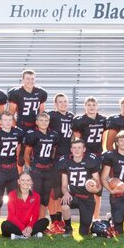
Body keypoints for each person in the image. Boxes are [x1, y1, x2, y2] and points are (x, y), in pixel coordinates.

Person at [0, 111, 25, 234]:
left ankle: (13, 222)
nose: (8, 122)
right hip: (0, 169)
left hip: (12, 169)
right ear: (0, 121)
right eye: (5, 120)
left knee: (14, 198)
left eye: (10, 120)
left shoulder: (17, 132)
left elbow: (18, 152)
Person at [71, 96, 107, 220]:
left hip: (98, 156)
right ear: (85, 107)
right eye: (89, 105)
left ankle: (96, 217)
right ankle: (86, 217)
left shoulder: (103, 120)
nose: (91, 107)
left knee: (98, 188)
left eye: (93, 105)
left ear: (97, 106)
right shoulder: (80, 120)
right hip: (85, 157)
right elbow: (77, 140)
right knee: (85, 186)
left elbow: (105, 137)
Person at [59, 139, 103, 236]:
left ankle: (88, 226)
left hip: (87, 198)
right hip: (74, 196)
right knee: (64, 204)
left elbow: (98, 184)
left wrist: (96, 189)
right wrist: (66, 193)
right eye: (74, 148)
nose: (77, 150)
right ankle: (68, 228)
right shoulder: (66, 162)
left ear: (84, 149)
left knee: (84, 232)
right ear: (71, 149)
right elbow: (64, 185)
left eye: (79, 147)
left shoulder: (90, 161)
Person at [45, 93, 75, 233]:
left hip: (68, 156)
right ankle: (54, 220)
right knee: (54, 190)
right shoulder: (52, 116)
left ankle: (61, 219)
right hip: (55, 156)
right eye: (60, 102)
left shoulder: (71, 116)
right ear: (55, 104)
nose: (63, 104)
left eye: (65, 101)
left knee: (64, 188)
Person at [23, 112, 60, 220]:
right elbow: (27, 154)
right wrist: (30, 166)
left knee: (45, 198)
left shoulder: (53, 134)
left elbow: (53, 151)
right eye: (41, 120)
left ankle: (41, 222)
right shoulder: (32, 134)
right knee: (35, 196)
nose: (44, 123)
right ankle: (32, 220)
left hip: (48, 169)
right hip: (36, 169)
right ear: (36, 122)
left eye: (46, 120)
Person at [2, 172, 50, 239]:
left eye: (28, 180)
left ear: (31, 182)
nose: (25, 182)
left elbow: (35, 216)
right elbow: (11, 216)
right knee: (5, 225)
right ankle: (31, 234)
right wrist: (22, 229)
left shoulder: (36, 196)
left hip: (27, 225)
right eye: (23, 180)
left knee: (45, 221)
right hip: (14, 225)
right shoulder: (12, 194)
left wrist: (30, 226)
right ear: (18, 181)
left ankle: (19, 236)